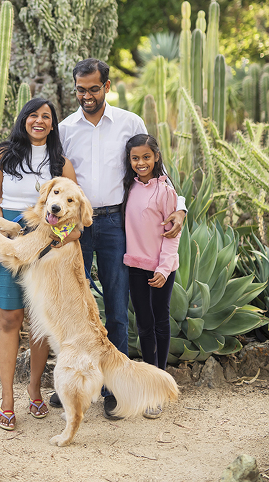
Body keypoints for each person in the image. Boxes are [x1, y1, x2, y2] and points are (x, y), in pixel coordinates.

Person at [51, 58, 186, 419]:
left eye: (94, 89)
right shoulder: (65, 128)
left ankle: (114, 388)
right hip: (76, 223)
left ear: (107, 87)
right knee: (70, 303)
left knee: (115, 303)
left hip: (114, 221)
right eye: (81, 90)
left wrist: (181, 207)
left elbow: (157, 170)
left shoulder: (130, 122)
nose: (87, 96)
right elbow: (53, 178)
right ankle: (71, 377)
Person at [0, 98, 79, 431]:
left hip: (45, 242)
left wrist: (60, 237)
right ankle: (7, 399)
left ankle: (35, 388)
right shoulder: (3, 156)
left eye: (46, 116)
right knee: (10, 318)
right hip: (9, 241)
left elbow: (75, 209)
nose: (39, 120)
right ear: (23, 119)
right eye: (33, 115)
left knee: (40, 321)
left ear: (53, 124)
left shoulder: (61, 163)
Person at [122, 133, 181, 419]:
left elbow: (173, 235)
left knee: (159, 322)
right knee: (143, 325)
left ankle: (160, 384)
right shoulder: (128, 188)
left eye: (146, 157)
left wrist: (164, 268)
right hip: (135, 266)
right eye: (135, 158)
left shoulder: (165, 189)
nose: (141, 163)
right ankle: (149, 383)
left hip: (161, 269)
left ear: (156, 157)